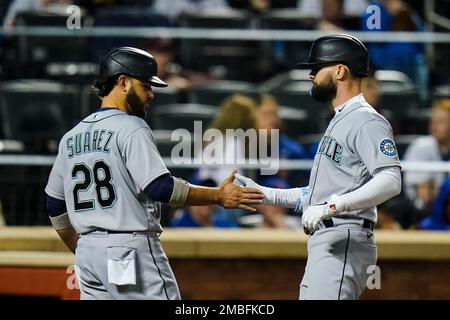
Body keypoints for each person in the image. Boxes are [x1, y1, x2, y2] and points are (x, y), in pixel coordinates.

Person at [44, 47, 263, 300]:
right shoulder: (132, 126)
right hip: (129, 249)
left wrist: (82, 247)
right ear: (123, 82)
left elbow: (55, 204)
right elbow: (160, 188)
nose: (151, 94)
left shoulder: (70, 137)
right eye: (145, 85)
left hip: (88, 253)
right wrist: (218, 196)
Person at [235, 34, 402, 299]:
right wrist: (264, 194)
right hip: (329, 238)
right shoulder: (340, 118)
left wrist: (334, 206)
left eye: (317, 68)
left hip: (343, 236)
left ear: (339, 70)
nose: (311, 75)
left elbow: (391, 180)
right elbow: (316, 195)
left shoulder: (367, 120)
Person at [403, 99, 450, 219]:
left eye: (440, 122)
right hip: (422, 214)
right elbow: (425, 195)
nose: (433, 126)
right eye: (432, 121)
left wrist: (436, 189)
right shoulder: (421, 147)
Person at [170, 178, 238, 228]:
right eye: (202, 196)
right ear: (190, 200)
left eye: (212, 196)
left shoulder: (223, 224)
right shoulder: (181, 226)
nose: (208, 201)